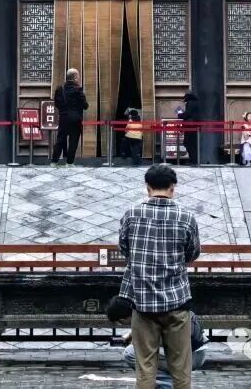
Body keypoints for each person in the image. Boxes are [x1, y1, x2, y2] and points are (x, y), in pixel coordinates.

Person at [118, 164, 201, 389]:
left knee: (145, 368)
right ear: (172, 187)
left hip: (142, 303)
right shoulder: (186, 217)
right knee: (181, 368)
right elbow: (192, 253)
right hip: (177, 303)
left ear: (148, 188)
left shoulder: (131, 214)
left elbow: (124, 249)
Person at [107, 296, 209, 389]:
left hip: (192, 357)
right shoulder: (153, 307)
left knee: (131, 353)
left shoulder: (148, 316)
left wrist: (137, 340)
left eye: (120, 322)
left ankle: (167, 385)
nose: (121, 324)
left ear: (123, 318)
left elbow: (153, 343)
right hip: (194, 353)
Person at [52, 69, 88, 165]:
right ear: (75, 77)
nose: (79, 78)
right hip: (75, 118)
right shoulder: (78, 90)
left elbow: (56, 103)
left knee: (60, 139)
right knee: (73, 141)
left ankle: (54, 162)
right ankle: (69, 163)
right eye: (78, 76)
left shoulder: (60, 89)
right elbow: (85, 105)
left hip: (63, 117)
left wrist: (63, 110)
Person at [176, 92, 200, 165]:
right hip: (195, 126)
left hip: (189, 126)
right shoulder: (197, 103)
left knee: (188, 143)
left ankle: (193, 160)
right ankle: (194, 160)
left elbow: (188, 114)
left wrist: (180, 115)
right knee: (192, 144)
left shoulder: (190, 103)